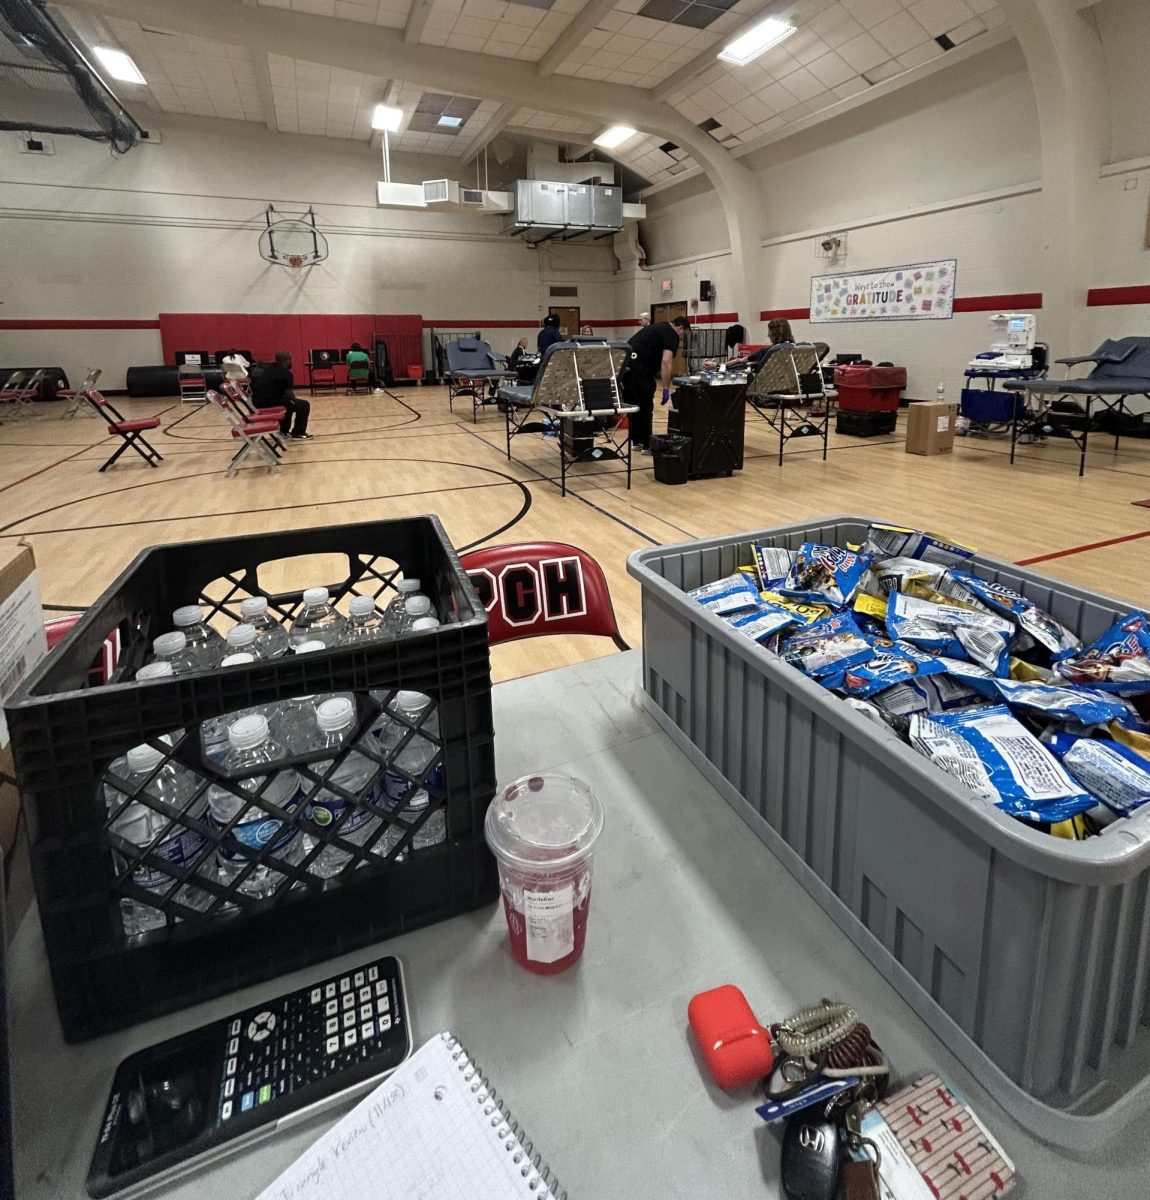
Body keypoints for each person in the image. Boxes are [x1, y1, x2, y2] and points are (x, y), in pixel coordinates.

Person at [621, 315, 690, 453]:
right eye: (683, 335)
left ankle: (637, 441)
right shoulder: (671, 334)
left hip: (625, 368)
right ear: (680, 328)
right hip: (640, 371)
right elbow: (666, 361)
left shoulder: (657, 327)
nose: (681, 338)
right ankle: (647, 444)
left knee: (634, 407)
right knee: (645, 406)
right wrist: (665, 388)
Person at [250, 350, 313, 439]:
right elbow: (289, 395)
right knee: (303, 405)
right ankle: (299, 433)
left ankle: (284, 431)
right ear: (286, 360)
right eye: (290, 359)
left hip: (257, 402)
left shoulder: (268, 369)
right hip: (267, 403)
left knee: (288, 403)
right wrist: (294, 402)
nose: (291, 362)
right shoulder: (286, 373)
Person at [706, 318, 796, 372]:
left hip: (755, 378)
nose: (768, 335)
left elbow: (740, 362)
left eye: (770, 332)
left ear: (775, 334)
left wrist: (717, 365)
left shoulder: (767, 351)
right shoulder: (792, 349)